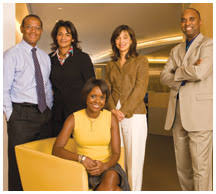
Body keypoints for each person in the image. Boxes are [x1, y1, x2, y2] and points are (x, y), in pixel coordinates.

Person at [160, 8, 212, 191]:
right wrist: (187, 70)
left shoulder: (209, 45)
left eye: (192, 19)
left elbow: (200, 72)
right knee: (183, 169)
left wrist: (178, 71)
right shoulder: (176, 50)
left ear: (200, 21)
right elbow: (164, 77)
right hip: (177, 117)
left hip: (199, 117)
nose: (187, 23)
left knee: (201, 169)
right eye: (183, 20)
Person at [52, 78, 130, 191]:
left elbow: (116, 153)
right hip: (83, 168)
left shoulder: (111, 118)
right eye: (93, 96)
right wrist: (81, 158)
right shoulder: (73, 119)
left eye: (102, 97)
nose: (97, 101)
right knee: (116, 190)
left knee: (111, 176)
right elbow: (57, 149)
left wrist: (104, 166)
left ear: (105, 100)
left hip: (109, 167)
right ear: (86, 96)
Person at [3, 14, 53, 191]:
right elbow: (3, 88)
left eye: (37, 27)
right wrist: (11, 116)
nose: (33, 31)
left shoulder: (45, 58)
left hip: (43, 115)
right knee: (18, 165)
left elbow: (46, 86)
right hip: (21, 117)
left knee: (40, 163)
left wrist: (49, 109)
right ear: (22, 29)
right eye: (29, 27)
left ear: (41, 31)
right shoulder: (11, 55)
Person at [105, 25, 149, 191]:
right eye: (118, 37)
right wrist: (112, 110)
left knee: (134, 160)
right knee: (118, 158)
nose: (121, 41)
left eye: (125, 37)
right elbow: (106, 90)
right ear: (114, 42)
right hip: (114, 116)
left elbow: (140, 89)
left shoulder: (141, 61)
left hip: (134, 116)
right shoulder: (110, 65)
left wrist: (123, 111)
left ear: (132, 40)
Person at [49, 20, 95, 137]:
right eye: (60, 34)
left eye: (67, 34)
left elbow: (91, 87)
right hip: (57, 115)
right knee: (58, 149)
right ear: (55, 37)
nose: (63, 37)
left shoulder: (83, 58)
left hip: (79, 113)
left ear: (73, 38)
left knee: (77, 150)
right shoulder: (49, 59)